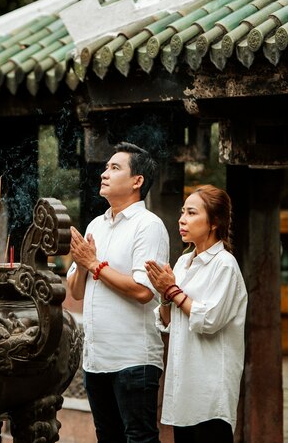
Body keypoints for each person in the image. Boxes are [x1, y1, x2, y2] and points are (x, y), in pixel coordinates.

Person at [67, 141, 169, 443]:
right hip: (96, 359)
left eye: (115, 168)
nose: (104, 174)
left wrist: (94, 263)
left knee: (139, 438)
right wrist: (83, 265)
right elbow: (76, 290)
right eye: (105, 167)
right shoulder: (96, 224)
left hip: (133, 358)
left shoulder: (148, 225)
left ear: (137, 181)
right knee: (107, 437)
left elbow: (143, 291)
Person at [145, 184, 247, 443]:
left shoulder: (224, 264)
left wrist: (172, 290)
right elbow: (168, 322)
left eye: (191, 213)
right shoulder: (183, 262)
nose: (182, 219)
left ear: (214, 222)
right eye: (182, 212)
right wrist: (165, 295)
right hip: (184, 387)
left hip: (210, 391)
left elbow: (209, 320)